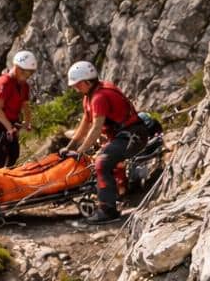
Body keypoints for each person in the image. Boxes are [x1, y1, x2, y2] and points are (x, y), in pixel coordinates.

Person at [61, 60, 149, 223]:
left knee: (102, 162)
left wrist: (80, 151)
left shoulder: (99, 97)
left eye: (77, 85)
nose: (76, 88)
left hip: (133, 136)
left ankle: (107, 210)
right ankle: (119, 193)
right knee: (105, 157)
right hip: (123, 136)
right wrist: (70, 147)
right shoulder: (89, 97)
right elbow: (85, 125)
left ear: (87, 82)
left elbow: (96, 128)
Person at [0, 50, 37, 168]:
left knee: (13, 155)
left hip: (11, 125)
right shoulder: (4, 83)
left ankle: (6, 178)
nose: (28, 76)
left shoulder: (24, 86)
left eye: (30, 73)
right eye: (27, 73)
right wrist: (9, 128)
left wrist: (27, 122)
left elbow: (25, 106)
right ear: (17, 68)